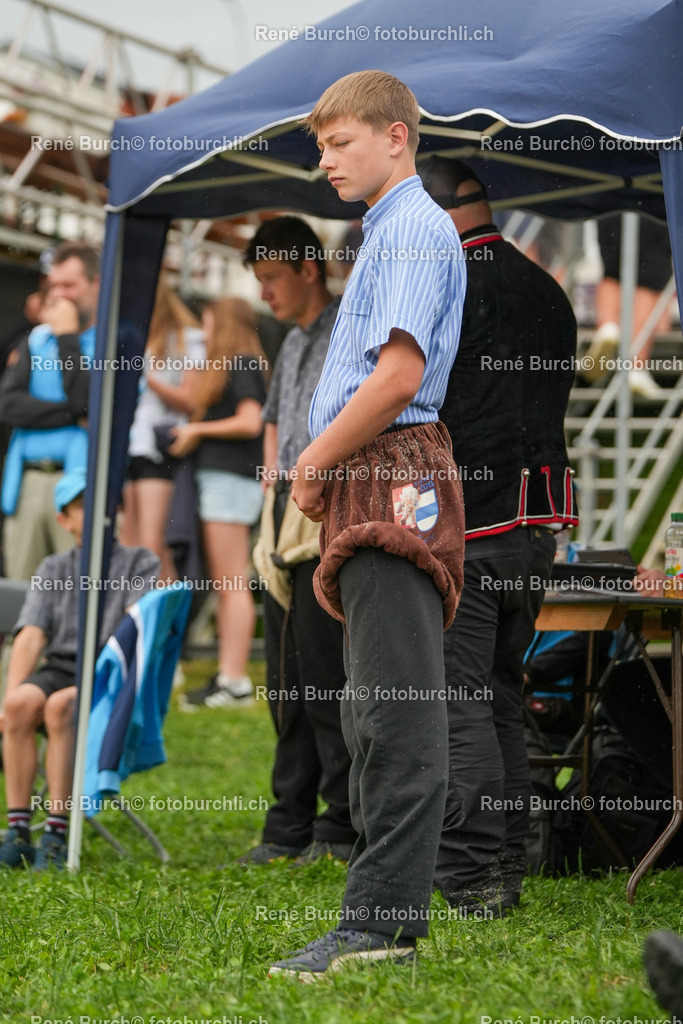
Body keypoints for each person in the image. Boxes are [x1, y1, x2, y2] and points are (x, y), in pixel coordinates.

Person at [268, 70, 466, 980]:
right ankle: (376, 915)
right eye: (320, 146)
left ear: (397, 136)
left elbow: (394, 377)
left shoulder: (416, 228)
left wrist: (311, 461)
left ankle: (381, 926)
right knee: (369, 707)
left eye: (338, 143)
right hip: (370, 470)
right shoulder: (386, 229)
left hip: (391, 471)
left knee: (396, 711)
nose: (325, 162)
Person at [418, 156, 578, 917]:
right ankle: (506, 867)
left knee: (461, 704)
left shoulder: (451, 282)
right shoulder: (543, 284)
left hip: (471, 522)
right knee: (498, 701)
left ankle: (474, 877)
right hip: (536, 525)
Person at [238, 216, 355, 867]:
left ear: (308, 268)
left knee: (324, 676)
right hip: (283, 507)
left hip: (327, 509)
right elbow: (275, 421)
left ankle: (336, 825)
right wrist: (268, 502)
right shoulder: (288, 342)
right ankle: (289, 824)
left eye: (272, 278)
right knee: (286, 679)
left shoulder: (350, 330)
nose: (265, 293)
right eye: (258, 281)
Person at [0, 469, 160, 870]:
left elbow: (134, 632)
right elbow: (31, 635)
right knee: (20, 703)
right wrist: (9, 695)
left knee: (60, 708)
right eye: (82, 507)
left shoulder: (140, 562)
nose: (96, 514)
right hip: (62, 664)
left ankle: (56, 830)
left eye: (105, 505)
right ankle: (17, 830)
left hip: (109, 671)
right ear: (64, 520)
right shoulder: (53, 567)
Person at [171, 298, 266, 708]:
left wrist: (197, 430)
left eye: (207, 323)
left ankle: (235, 680)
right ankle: (229, 676)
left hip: (231, 480)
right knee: (226, 585)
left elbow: (251, 420)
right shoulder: (230, 363)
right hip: (224, 480)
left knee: (232, 583)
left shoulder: (242, 361)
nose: (203, 334)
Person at [0, 242, 99, 581]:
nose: (59, 295)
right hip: (25, 484)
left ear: (96, 284)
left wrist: (68, 336)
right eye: (53, 285)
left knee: (74, 607)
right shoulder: (36, 339)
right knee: (21, 607)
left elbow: (89, 403)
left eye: (69, 285)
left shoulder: (114, 342)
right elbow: (8, 404)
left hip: (80, 489)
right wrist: (73, 414)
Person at [119, 278, 205, 584]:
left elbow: (190, 400)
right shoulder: (133, 337)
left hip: (162, 449)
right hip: (131, 447)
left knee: (152, 546)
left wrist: (147, 375)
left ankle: (163, 625)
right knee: (129, 544)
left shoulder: (189, 338)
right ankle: (139, 621)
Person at [584, 213, 672, 398]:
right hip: (649, 200)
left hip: (613, 197)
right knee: (648, 280)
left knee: (611, 271)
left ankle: (608, 327)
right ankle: (636, 365)